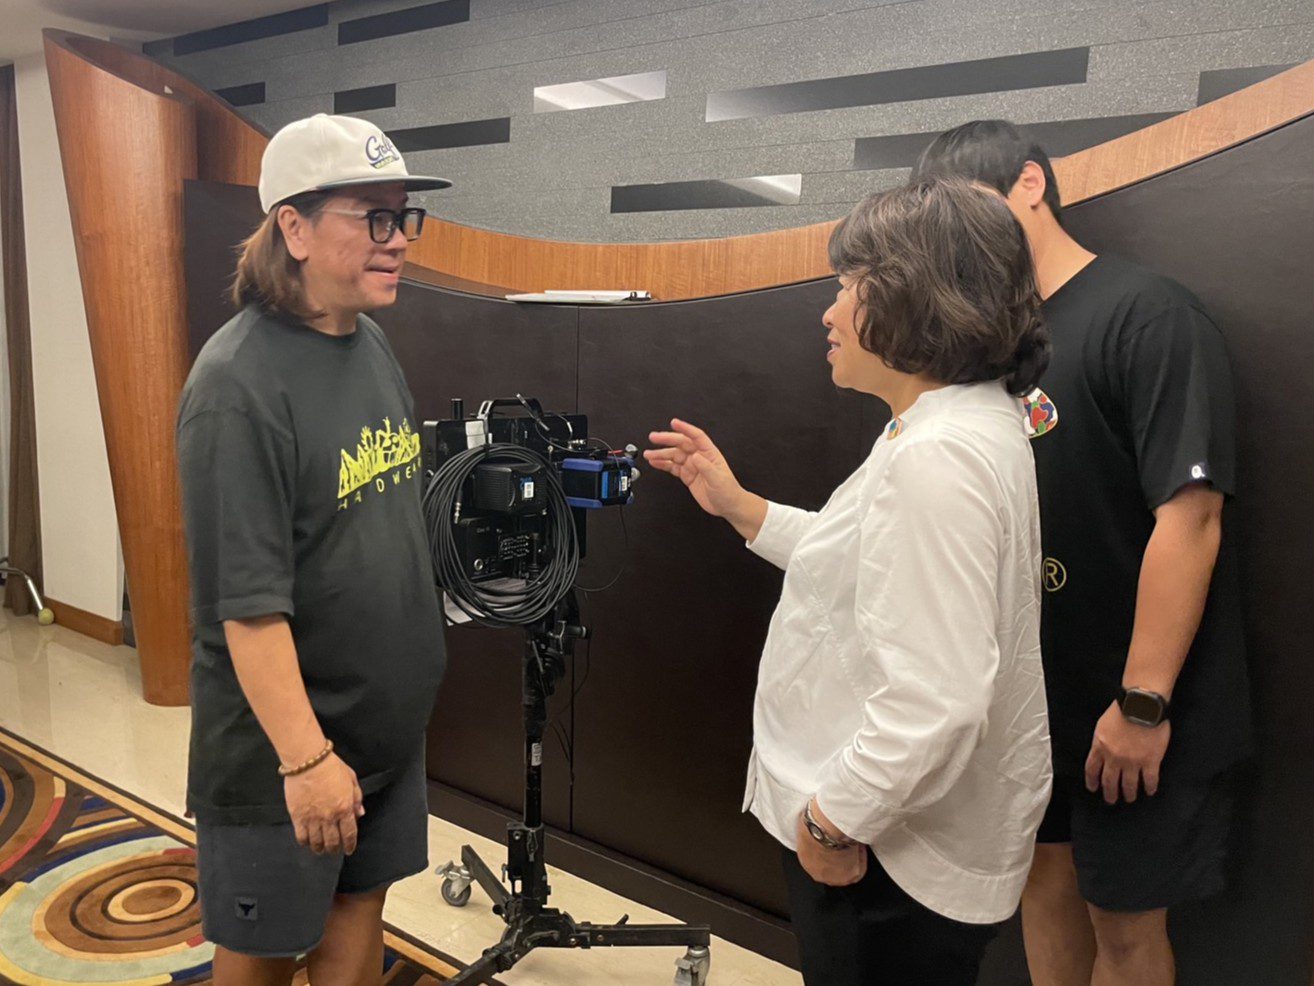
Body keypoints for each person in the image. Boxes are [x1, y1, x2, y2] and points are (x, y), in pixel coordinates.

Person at [645, 176, 1053, 985]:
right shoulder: (955, 426)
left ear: (910, 297)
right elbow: (865, 563)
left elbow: (938, 700)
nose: (829, 314)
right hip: (901, 842)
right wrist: (741, 506)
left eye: (846, 287)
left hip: (886, 859)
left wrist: (834, 822)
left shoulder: (937, 458)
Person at [915, 120, 1251, 986]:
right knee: (1042, 884)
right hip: (1036, 695)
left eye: (969, 210)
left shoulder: (1150, 314)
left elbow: (1192, 520)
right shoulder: (993, 346)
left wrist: (1142, 703)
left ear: (1030, 184)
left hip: (1137, 700)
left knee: (1126, 928)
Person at [176, 114, 451, 986]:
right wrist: (306, 760)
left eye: (403, 217)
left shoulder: (370, 342)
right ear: (292, 228)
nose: (398, 240)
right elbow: (248, 607)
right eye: (373, 217)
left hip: (381, 733)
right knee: (264, 952)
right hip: (284, 754)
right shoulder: (236, 386)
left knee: (357, 910)